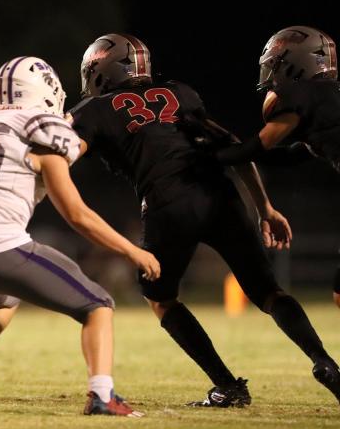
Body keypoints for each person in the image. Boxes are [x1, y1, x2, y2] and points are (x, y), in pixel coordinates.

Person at [72, 33, 340, 406]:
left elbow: (65, 152)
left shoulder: (93, 110)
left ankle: (228, 385)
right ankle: (323, 359)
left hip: (168, 202)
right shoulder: (180, 93)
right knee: (269, 292)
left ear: (99, 72)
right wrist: (264, 207)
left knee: (160, 298)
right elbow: (230, 144)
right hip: (221, 194)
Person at [0, 56, 157, 416]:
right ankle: (102, 396)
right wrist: (132, 251)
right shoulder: (40, 129)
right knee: (98, 305)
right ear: (46, 93)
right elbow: (77, 214)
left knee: (4, 297)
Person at [215, 26, 340, 318]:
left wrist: (209, 155)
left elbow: (258, 147)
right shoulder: (328, 99)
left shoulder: (301, 93)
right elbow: (289, 156)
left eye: (276, 64)